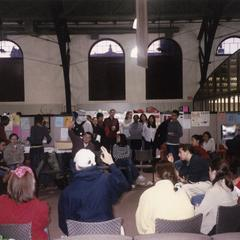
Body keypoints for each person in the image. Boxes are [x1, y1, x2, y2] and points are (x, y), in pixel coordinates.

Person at [58, 147, 129, 235]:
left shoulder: (67, 192)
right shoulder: (107, 180)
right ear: (94, 163)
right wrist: (111, 163)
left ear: (75, 165)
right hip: (107, 232)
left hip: (81, 236)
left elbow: (63, 224)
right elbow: (123, 184)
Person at [135, 162, 194, 234]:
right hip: (186, 236)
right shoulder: (183, 193)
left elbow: (141, 225)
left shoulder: (147, 194)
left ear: (156, 177)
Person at [0, 166, 49, 240]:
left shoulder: (1, 201)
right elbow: (43, 224)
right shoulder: (41, 207)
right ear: (32, 185)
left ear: (10, 183)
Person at [195, 162, 238, 235]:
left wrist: (196, 208)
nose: (208, 173)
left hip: (211, 232)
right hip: (229, 231)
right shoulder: (232, 188)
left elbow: (198, 216)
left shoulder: (213, 191)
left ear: (214, 172)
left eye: (209, 170)